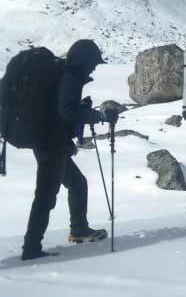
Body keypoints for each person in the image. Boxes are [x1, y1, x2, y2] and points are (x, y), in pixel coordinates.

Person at [21, 39, 111, 261]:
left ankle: (78, 229)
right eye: (93, 63)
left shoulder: (64, 74)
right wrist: (97, 116)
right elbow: (66, 112)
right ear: (84, 60)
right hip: (50, 143)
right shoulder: (70, 77)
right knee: (45, 196)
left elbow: (61, 109)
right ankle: (31, 248)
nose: (94, 67)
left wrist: (81, 109)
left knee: (77, 183)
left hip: (50, 140)